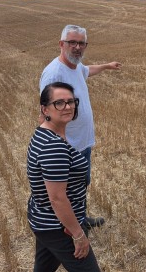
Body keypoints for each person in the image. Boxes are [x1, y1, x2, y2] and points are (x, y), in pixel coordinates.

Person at [40, 24, 121, 228]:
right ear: (61, 44)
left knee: (80, 185)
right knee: (66, 191)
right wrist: (58, 146)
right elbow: (47, 112)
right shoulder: (54, 75)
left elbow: (87, 70)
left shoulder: (75, 67)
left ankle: (80, 219)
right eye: (72, 42)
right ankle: (70, 229)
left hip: (82, 144)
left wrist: (106, 66)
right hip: (68, 146)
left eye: (81, 43)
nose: (77, 47)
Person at [27, 82, 101, 271]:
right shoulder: (54, 146)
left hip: (44, 221)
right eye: (59, 103)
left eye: (71, 102)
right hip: (59, 227)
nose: (67, 106)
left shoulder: (44, 133)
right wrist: (78, 234)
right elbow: (58, 198)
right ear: (45, 108)